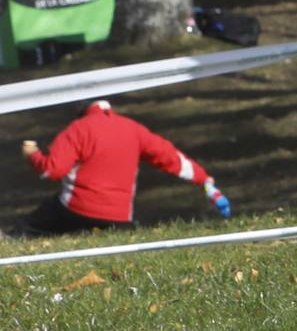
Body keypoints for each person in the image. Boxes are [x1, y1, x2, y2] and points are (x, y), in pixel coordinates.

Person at [16, 100, 229, 235]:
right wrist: (202, 178)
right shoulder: (133, 129)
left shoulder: (79, 128)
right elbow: (169, 157)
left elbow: (51, 170)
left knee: (26, 229)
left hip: (76, 209)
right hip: (118, 217)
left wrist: (33, 154)